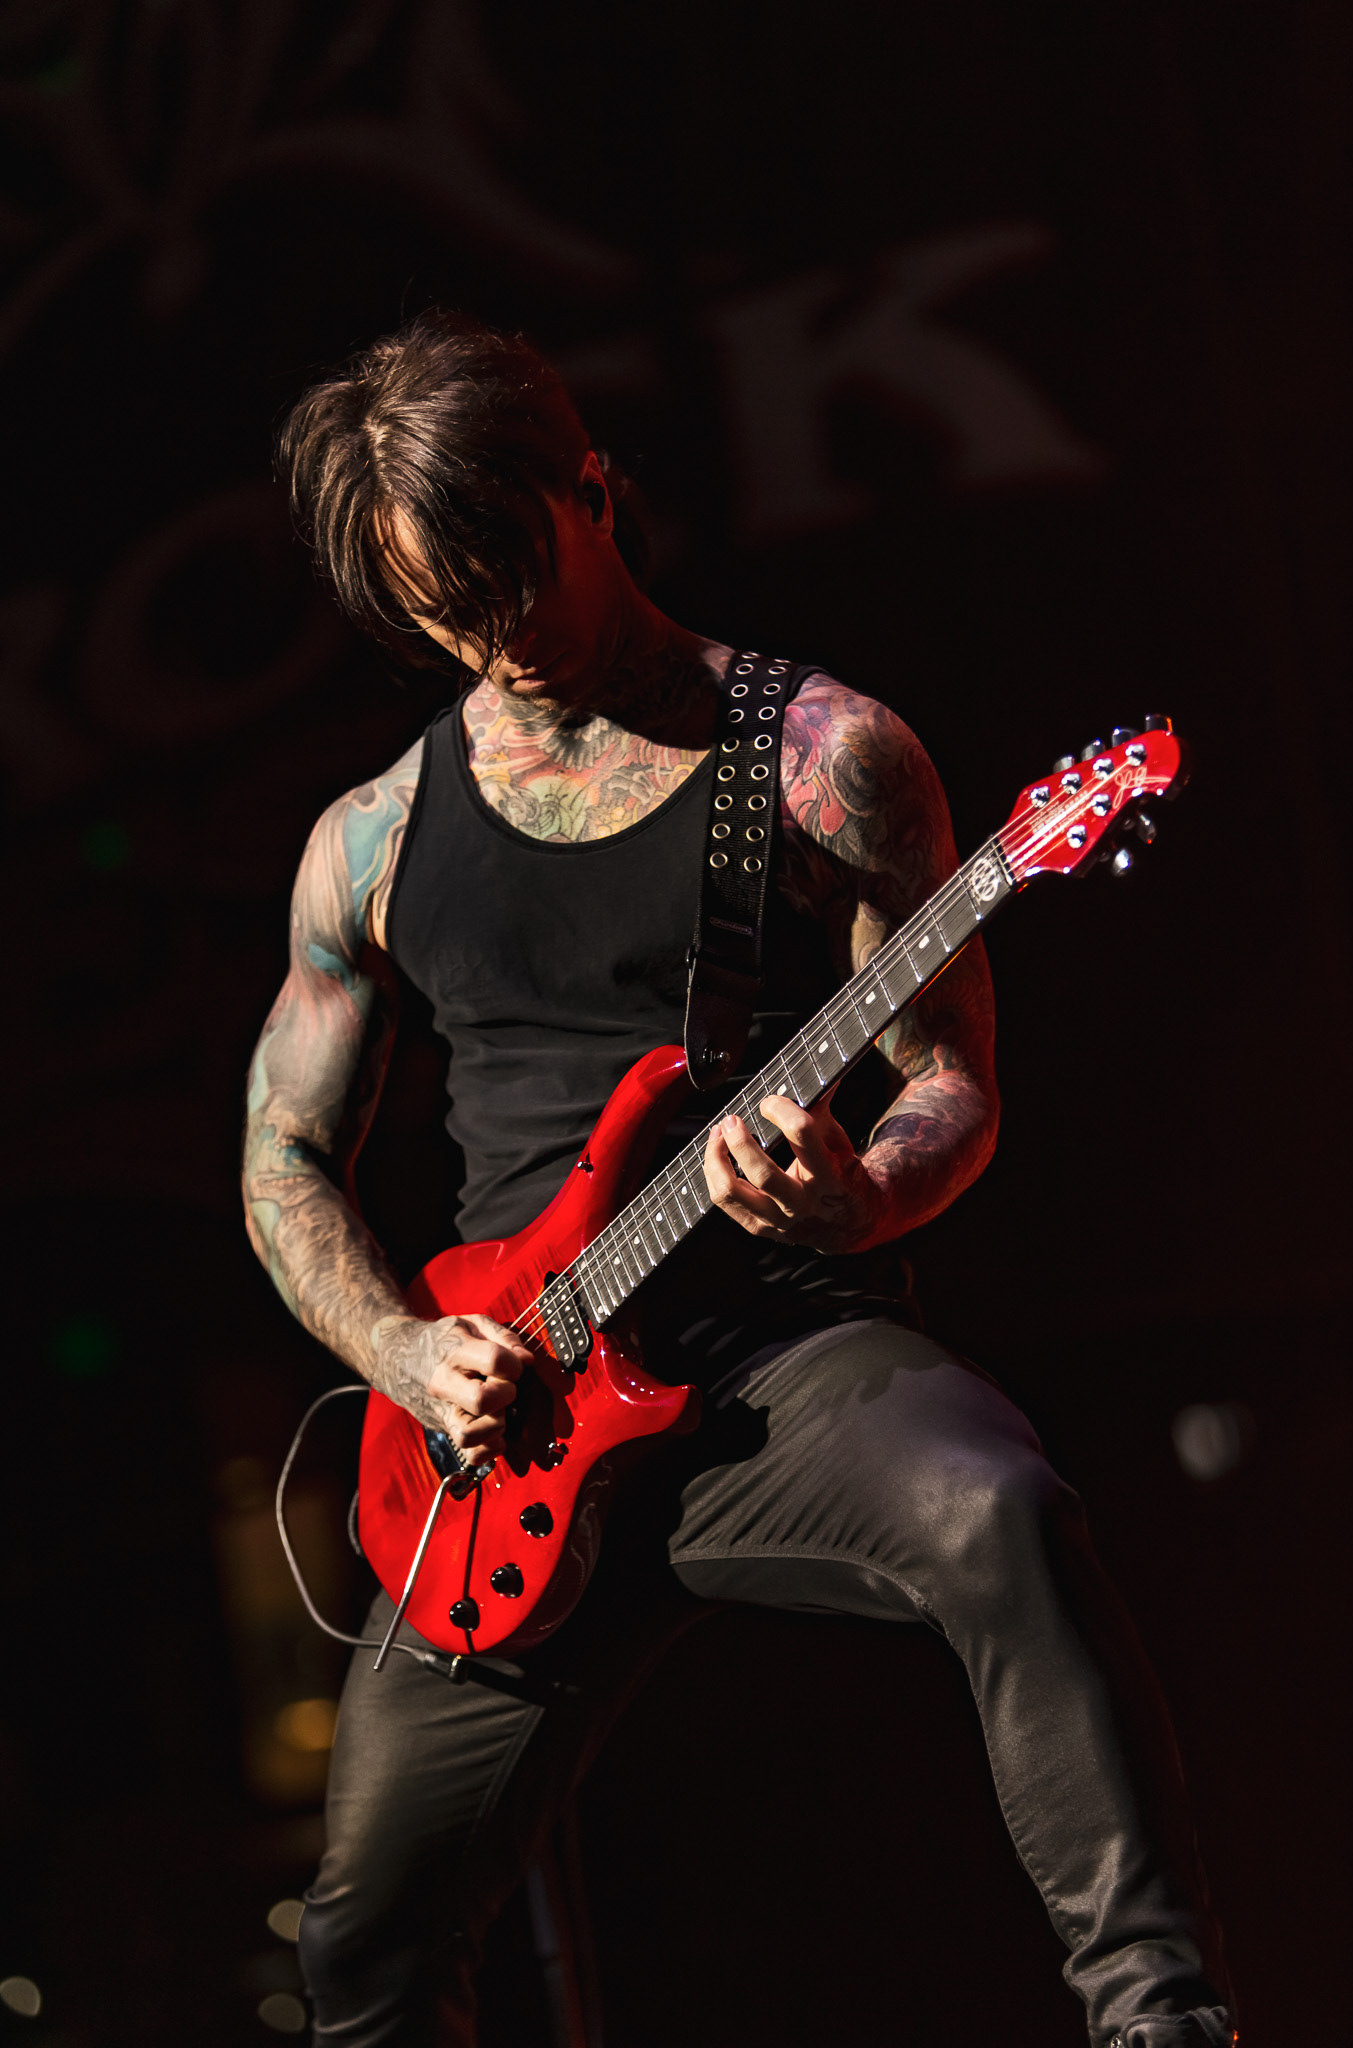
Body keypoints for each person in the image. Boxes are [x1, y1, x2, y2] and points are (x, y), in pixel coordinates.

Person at [243, 308, 1235, 2048]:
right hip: (506, 1428)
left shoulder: (823, 756)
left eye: (507, 575)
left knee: (996, 1514)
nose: (491, 638)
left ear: (591, 492)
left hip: (779, 1359)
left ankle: (1157, 2018)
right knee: (361, 1951)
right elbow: (285, 1157)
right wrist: (403, 1352)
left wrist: (865, 1194)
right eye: (437, 609)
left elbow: (949, 1082)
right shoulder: (372, 838)